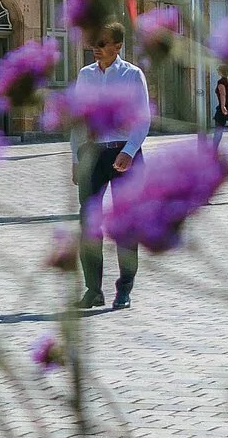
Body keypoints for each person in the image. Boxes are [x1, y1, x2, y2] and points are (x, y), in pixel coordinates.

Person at [73, 21, 152, 312]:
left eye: (102, 43)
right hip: (93, 154)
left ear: (117, 46)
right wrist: (75, 158)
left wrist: (129, 151)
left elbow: (143, 119)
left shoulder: (132, 75)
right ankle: (93, 290)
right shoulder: (85, 75)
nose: (96, 48)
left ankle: (124, 288)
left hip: (125, 154)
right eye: (94, 42)